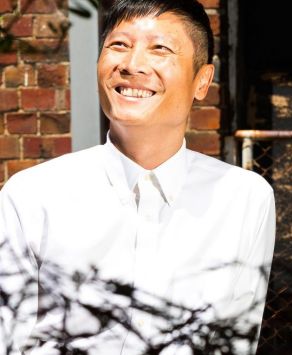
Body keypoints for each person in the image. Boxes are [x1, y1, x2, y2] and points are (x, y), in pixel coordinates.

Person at [0, 0, 275, 354]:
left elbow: (235, 340)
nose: (132, 65)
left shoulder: (244, 198)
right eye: (119, 45)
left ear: (202, 80)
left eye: (160, 48)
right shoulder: (33, 195)